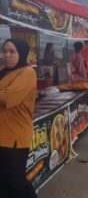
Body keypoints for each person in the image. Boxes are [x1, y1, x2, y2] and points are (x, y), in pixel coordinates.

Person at [0, 38, 38, 198]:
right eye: (4, 51)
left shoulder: (27, 72)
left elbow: (7, 98)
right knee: (3, 184)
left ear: (21, 53)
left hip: (14, 138)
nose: (7, 55)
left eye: (12, 51)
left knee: (16, 183)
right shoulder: (3, 71)